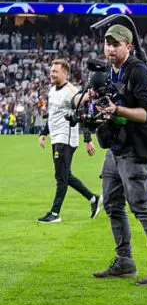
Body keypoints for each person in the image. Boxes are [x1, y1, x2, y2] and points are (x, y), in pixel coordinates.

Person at [74, 24, 147, 286]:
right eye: (107, 44)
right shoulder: (107, 72)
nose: (110, 48)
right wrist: (87, 97)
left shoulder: (139, 72)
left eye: (116, 44)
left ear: (128, 47)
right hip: (117, 147)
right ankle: (125, 261)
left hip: (136, 147)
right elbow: (78, 101)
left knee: (140, 205)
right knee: (111, 202)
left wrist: (117, 110)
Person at [37, 59, 101, 224]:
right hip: (56, 137)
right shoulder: (52, 90)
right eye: (51, 71)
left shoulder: (71, 91)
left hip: (65, 139)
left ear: (64, 73)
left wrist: (87, 139)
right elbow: (53, 114)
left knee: (61, 177)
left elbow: (80, 105)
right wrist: (44, 133)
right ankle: (94, 199)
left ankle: (55, 213)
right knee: (66, 175)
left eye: (55, 71)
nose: (52, 74)